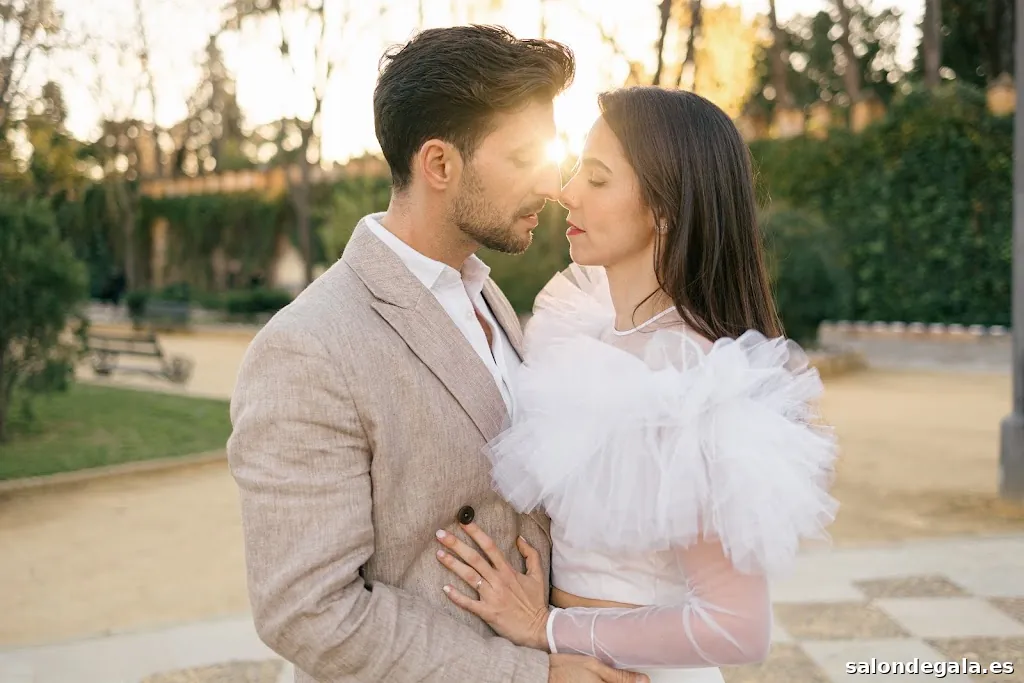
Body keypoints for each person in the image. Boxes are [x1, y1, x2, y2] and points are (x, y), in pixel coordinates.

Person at [227, 25, 646, 683]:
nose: (553, 184)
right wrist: (524, 674)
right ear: (440, 164)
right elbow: (307, 612)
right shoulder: (307, 349)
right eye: (523, 159)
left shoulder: (489, 297)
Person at [431, 86, 840, 683]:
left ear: (666, 208)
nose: (566, 191)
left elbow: (738, 627)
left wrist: (546, 628)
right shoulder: (584, 333)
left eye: (597, 179)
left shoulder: (693, 381)